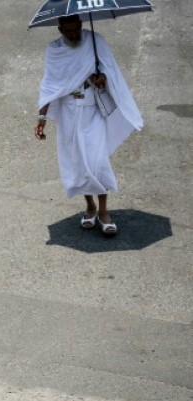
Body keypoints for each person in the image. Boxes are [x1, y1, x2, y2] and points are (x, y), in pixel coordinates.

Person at [34, 15, 143, 236]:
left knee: (97, 160)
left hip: (93, 111)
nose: (74, 34)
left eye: (77, 29)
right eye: (69, 30)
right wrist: (42, 118)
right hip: (69, 113)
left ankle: (104, 212)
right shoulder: (54, 50)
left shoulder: (95, 41)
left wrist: (102, 77)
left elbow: (111, 71)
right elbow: (50, 84)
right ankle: (90, 207)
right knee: (79, 163)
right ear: (60, 29)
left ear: (82, 25)